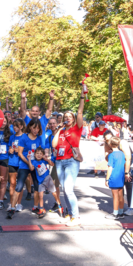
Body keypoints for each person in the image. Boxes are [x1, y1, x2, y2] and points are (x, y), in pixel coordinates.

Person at [51, 84, 87, 227]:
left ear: (73, 119)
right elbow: (54, 145)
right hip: (59, 162)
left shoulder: (76, 129)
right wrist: (58, 131)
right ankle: (69, 214)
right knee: (64, 191)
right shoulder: (61, 130)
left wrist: (82, 95)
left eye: (69, 117)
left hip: (71, 161)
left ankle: (76, 216)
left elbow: (80, 112)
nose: (67, 118)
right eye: (65, 117)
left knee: (68, 189)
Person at [7, 117, 43, 219]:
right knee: (18, 186)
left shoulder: (39, 139)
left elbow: (39, 153)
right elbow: (20, 153)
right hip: (24, 164)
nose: (36, 130)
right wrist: (28, 163)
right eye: (34, 128)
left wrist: (42, 160)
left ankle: (35, 207)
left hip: (35, 166)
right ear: (30, 127)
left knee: (36, 186)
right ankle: (12, 208)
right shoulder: (24, 138)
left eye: (38, 128)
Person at [103, 130, 133, 216]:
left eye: (109, 139)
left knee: (117, 195)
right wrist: (108, 155)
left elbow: (128, 159)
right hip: (120, 173)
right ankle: (120, 212)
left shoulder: (121, 144)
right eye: (106, 140)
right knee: (120, 194)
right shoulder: (119, 153)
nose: (108, 142)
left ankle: (116, 213)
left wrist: (126, 172)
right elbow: (107, 158)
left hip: (118, 174)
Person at [28, 147, 54, 219]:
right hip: (40, 181)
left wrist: (47, 159)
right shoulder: (34, 162)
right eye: (37, 153)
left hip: (47, 179)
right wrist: (29, 159)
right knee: (40, 195)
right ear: (35, 154)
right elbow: (31, 168)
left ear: (42, 155)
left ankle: (59, 204)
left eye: (40, 154)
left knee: (54, 193)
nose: (39, 155)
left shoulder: (44, 160)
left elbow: (52, 164)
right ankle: (41, 209)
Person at [6, 118, 25, 215]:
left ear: (21, 126)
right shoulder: (12, 137)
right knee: (12, 184)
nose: (15, 128)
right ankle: (11, 203)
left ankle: (19, 203)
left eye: (17, 126)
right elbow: (9, 147)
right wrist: (10, 150)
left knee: (20, 184)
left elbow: (26, 149)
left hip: (21, 163)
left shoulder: (25, 137)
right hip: (12, 162)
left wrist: (19, 151)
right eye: (14, 126)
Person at [105, 137, 126, 220]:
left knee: (115, 196)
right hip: (121, 176)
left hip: (114, 177)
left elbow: (110, 168)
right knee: (121, 196)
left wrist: (107, 179)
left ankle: (115, 213)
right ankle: (121, 212)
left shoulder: (111, 155)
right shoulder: (122, 154)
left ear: (110, 144)